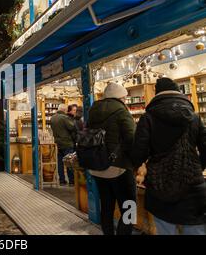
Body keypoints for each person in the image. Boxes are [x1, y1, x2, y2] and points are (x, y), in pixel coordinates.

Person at [131, 78, 206, 235]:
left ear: (157, 94)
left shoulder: (148, 118)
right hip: (192, 184)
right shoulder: (194, 117)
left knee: (165, 229)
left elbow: (139, 152)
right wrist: (198, 166)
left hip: (160, 183)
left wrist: (141, 166)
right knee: (195, 228)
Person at [87, 83, 136, 235]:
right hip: (119, 167)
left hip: (97, 166)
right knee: (129, 207)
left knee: (107, 207)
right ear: (121, 97)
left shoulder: (93, 111)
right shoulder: (122, 111)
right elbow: (131, 138)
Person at [50, 103, 76, 185]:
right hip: (67, 143)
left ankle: (62, 180)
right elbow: (72, 127)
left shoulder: (52, 118)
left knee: (60, 163)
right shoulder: (64, 118)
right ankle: (71, 181)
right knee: (69, 162)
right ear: (65, 110)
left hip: (58, 143)